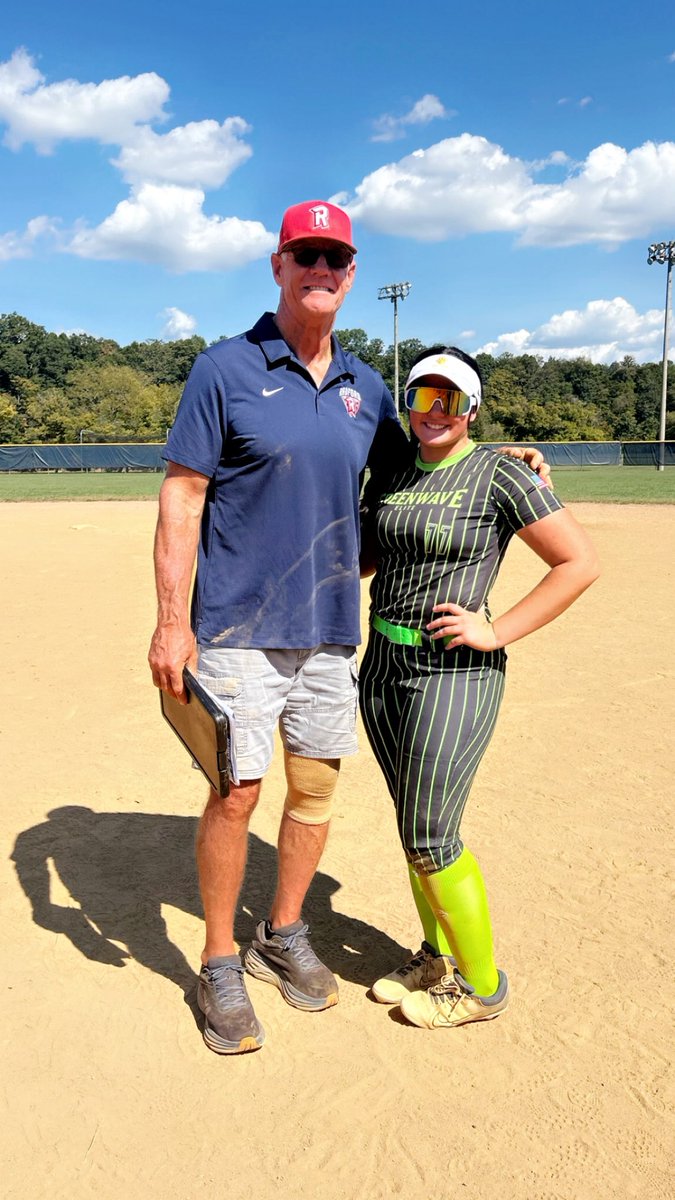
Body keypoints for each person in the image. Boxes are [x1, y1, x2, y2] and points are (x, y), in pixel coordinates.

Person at [148, 201, 549, 1056]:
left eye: (336, 257)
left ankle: (281, 931)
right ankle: (220, 959)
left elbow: (434, 451)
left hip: (332, 631)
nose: (320, 269)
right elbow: (182, 494)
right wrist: (169, 624)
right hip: (237, 628)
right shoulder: (223, 369)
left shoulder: (369, 388)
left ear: (353, 272)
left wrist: (504, 457)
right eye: (306, 254)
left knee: (315, 794)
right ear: (278, 264)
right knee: (236, 793)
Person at [359, 345, 599, 1030]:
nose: (433, 412)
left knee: (432, 832)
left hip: (453, 671)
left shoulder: (498, 473)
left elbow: (577, 562)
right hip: (381, 665)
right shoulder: (395, 467)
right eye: (421, 398)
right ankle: (434, 952)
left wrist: (497, 631)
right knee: (413, 828)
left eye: (451, 400)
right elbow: (367, 556)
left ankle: (482, 988)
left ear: (472, 408)